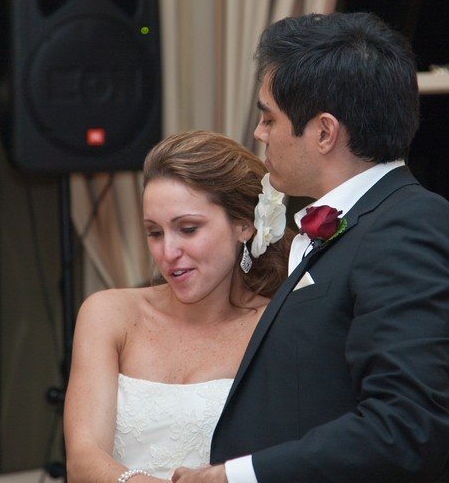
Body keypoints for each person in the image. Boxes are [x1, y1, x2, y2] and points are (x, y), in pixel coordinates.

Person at [172, 12, 449, 483]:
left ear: (324, 132)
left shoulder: (411, 227)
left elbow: (404, 430)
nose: (259, 133)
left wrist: (235, 476)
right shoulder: (354, 226)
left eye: (269, 117)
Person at [64, 131, 293, 483]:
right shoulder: (108, 314)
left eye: (187, 229)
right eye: (154, 233)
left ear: (245, 225)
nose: (167, 253)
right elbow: (82, 460)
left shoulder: (279, 324)